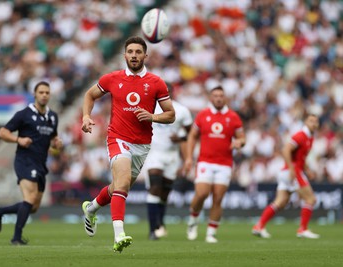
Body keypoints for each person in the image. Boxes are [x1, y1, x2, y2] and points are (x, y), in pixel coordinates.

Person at [81, 36, 175, 253]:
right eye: (130, 52)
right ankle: (119, 235)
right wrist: (86, 116)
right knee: (122, 183)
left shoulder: (156, 83)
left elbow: (170, 115)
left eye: (138, 52)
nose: (134, 55)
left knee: (117, 188)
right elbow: (89, 95)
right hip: (117, 138)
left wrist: (152, 117)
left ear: (145, 55)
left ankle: (91, 208)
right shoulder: (112, 78)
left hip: (142, 145)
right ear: (124, 55)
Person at [0, 81, 63, 245]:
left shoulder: (53, 117)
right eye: (41, 92)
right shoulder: (23, 114)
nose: (44, 95)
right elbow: (2, 132)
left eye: (47, 92)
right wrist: (19, 139)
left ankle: (0, 211)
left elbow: (52, 140)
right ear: (35, 94)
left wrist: (56, 145)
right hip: (24, 160)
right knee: (29, 197)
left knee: (33, 206)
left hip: (41, 163)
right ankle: (16, 238)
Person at [184, 85, 245, 243]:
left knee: (218, 198)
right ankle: (193, 220)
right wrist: (189, 157)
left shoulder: (233, 117)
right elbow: (192, 136)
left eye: (221, 95)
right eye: (215, 95)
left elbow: (242, 137)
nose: (218, 98)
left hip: (224, 163)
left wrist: (239, 143)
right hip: (205, 161)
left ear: (224, 98)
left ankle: (211, 232)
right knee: (202, 194)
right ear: (211, 98)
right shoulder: (203, 115)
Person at [252, 114, 320, 239]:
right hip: (292, 172)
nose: (314, 124)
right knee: (311, 199)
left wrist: (308, 170)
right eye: (311, 121)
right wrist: (292, 168)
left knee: (280, 202)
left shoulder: (310, 138)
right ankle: (303, 229)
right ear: (305, 122)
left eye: (316, 122)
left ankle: (259, 226)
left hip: (288, 171)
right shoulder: (300, 135)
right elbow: (286, 150)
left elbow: (301, 158)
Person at [144, 83, 193, 240]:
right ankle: (152, 230)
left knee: (164, 193)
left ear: (172, 93)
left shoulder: (182, 111)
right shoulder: (149, 107)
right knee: (155, 187)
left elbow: (191, 134)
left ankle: (160, 223)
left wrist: (180, 140)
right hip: (154, 153)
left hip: (172, 156)